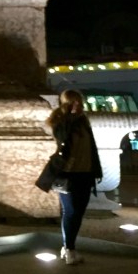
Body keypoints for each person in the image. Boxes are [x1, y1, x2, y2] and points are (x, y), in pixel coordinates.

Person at [46, 89, 103, 265]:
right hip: (67, 174)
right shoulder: (60, 121)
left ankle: (68, 246)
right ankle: (69, 249)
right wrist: (69, 118)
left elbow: (91, 148)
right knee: (70, 211)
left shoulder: (84, 122)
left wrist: (97, 170)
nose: (77, 105)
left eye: (79, 101)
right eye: (73, 102)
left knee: (78, 212)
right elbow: (61, 138)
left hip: (85, 173)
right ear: (65, 104)